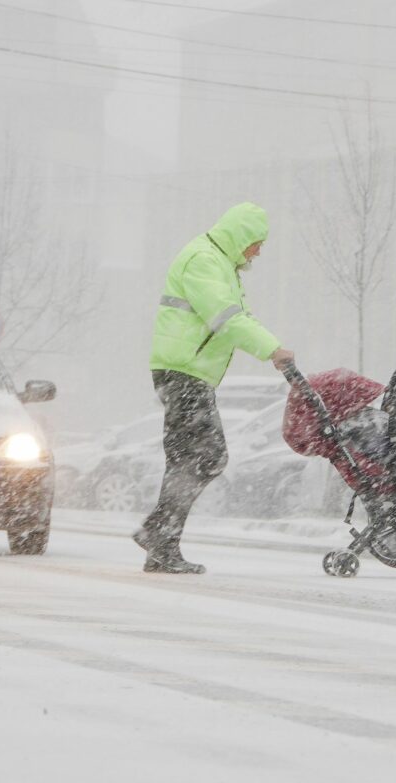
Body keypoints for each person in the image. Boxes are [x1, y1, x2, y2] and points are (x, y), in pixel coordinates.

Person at [135, 202, 295, 574]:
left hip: (188, 374)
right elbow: (228, 319)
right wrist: (272, 349)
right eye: (256, 243)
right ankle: (158, 532)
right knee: (209, 456)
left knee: (185, 459)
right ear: (240, 237)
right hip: (183, 374)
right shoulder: (204, 260)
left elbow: (238, 317)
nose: (258, 251)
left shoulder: (221, 265)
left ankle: (160, 546)